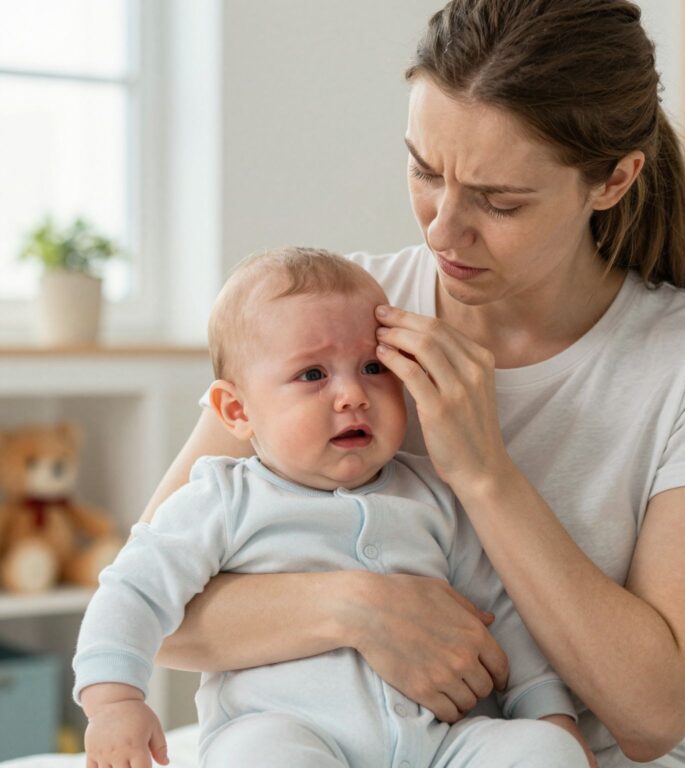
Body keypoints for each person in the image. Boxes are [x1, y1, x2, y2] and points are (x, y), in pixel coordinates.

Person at [144, 2, 685, 765]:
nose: (443, 229)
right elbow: (153, 606)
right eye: (424, 170)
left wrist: (484, 473)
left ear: (613, 180)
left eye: (499, 200)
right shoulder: (334, 317)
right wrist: (365, 607)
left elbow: (654, 712)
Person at [73, 248, 593, 768]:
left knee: (542, 753)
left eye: (372, 367)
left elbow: (502, 614)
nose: (352, 395)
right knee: (260, 758)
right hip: (287, 732)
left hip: (439, 747)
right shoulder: (221, 498)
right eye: (312, 375)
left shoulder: (435, 495)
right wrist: (114, 701)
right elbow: (133, 590)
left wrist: (551, 718)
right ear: (237, 410)